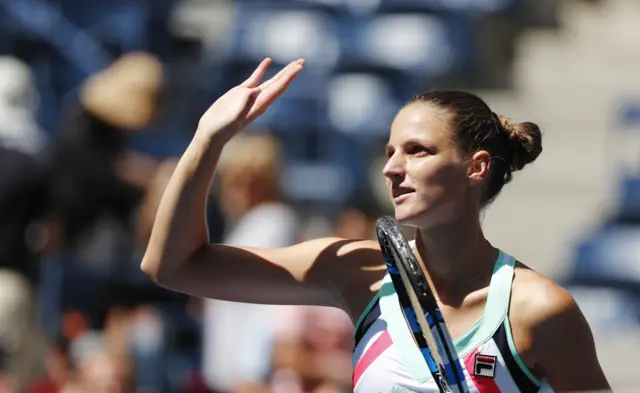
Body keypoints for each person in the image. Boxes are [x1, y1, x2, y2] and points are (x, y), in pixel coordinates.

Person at [140, 58, 611, 393]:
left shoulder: (539, 309)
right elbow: (174, 266)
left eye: (417, 151)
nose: (392, 168)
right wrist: (208, 139)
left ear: (476, 167)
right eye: (389, 153)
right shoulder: (358, 273)